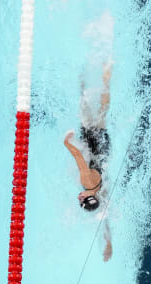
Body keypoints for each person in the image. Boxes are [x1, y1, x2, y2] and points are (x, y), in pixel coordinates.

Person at [63, 62, 113, 261]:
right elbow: (78, 157)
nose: (78, 198)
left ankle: (105, 77)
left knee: (102, 114)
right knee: (85, 108)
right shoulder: (87, 181)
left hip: (103, 150)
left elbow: (104, 216)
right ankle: (90, 77)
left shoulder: (100, 192)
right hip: (93, 145)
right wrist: (66, 142)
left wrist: (108, 242)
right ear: (86, 198)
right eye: (81, 200)